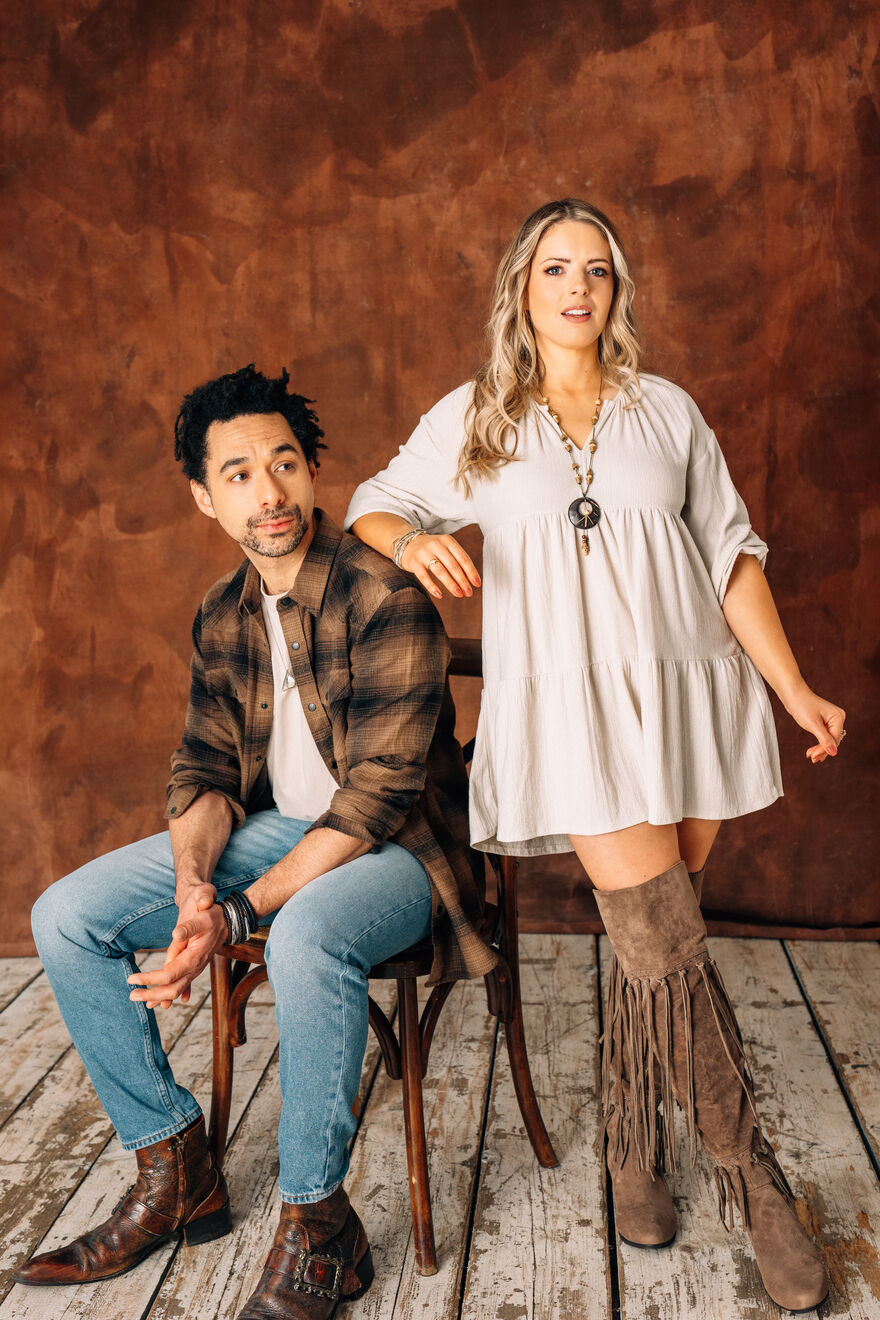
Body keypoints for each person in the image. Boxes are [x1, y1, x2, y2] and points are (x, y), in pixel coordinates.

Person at [346, 199, 846, 1313]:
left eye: (599, 272)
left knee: (651, 946)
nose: (578, 289)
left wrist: (791, 686)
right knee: (664, 941)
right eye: (555, 269)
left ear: (617, 293)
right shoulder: (477, 417)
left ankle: (630, 1148)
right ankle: (750, 1177)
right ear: (520, 287)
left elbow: (730, 555)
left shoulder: (666, 411)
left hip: (687, 698)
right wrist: (418, 536)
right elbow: (371, 503)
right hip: (571, 720)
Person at [14, 364, 495, 1320]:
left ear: (313, 472)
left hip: (405, 851)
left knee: (306, 933)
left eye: (284, 463)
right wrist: (197, 883)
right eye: (238, 474)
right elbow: (201, 773)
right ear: (204, 497)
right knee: (64, 916)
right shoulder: (220, 613)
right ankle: (174, 1167)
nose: (268, 492)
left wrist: (241, 908)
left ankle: (320, 1225)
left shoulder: (384, 591)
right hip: (279, 832)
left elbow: (380, 794)